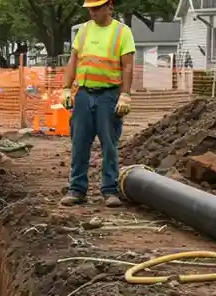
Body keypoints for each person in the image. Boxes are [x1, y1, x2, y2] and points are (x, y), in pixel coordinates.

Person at [58, 0, 135, 208]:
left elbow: (127, 66)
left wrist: (125, 95)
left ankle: (109, 190)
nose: (92, 12)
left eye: (96, 8)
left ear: (109, 6)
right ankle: (77, 189)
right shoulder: (83, 31)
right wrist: (66, 87)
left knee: (109, 144)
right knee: (79, 143)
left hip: (108, 95)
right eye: (90, 8)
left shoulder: (122, 32)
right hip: (84, 93)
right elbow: (73, 60)